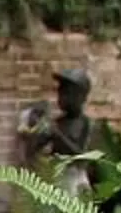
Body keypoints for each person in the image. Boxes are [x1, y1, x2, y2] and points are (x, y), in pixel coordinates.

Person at [17, 66, 97, 198]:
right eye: (60, 91)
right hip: (56, 181)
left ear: (81, 97)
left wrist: (57, 134)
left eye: (66, 92)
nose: (61, 96)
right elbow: (32, 151)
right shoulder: (58, 123)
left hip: (75, 182)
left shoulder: (87, 124)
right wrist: (35, 133)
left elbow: (81, 157)